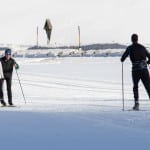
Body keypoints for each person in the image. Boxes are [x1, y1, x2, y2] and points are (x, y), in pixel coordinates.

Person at [121, 34, 150, 110]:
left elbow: (122, 58)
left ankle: (136, 104)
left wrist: (122, 59)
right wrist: (147, 63)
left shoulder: (129, 48)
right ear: (137, 39)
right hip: (144, 70)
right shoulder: (143, 47)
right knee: (148, 86)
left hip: (135, 70)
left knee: (135, 86)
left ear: (132, 39)